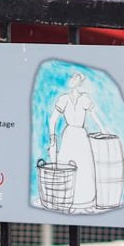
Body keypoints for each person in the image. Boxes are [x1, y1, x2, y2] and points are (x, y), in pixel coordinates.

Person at [48, 73, 100, 213]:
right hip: (69, 134)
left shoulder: (85, 99)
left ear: (79, 82)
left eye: (75, 78)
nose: (72, 80)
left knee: (84, 165)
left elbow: (94, 116)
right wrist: (52, 136)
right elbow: (53, 119)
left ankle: (84, 201)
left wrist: (103, 129)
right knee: (66, 165)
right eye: (72, 78)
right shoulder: (63, 99)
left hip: (81, 135)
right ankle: (67, 200)